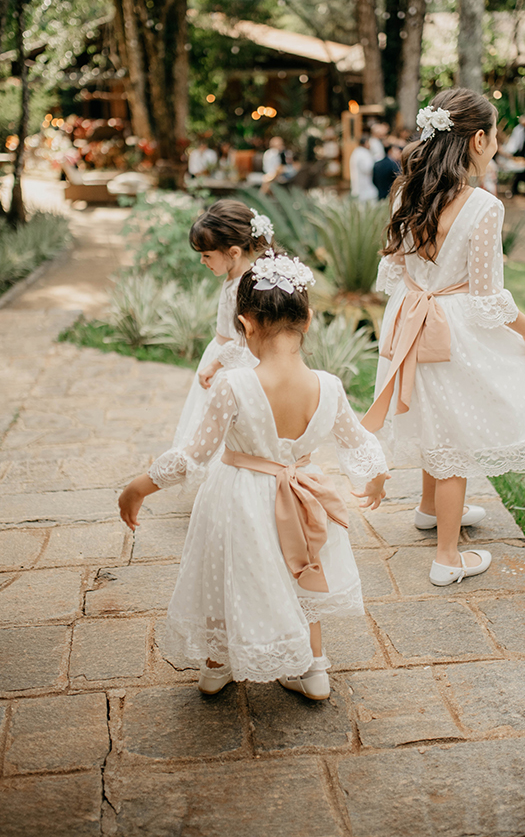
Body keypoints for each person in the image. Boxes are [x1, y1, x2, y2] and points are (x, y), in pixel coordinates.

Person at [363, 87, 525, 588]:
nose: (496, 144)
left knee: (434, 414)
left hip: (406, 318)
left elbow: (391, 274)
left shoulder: (405, 189)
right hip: (448, 327)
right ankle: (448, 558)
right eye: (494, 136)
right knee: (453, 437)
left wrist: (419, 294)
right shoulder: (483, 206)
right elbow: (487, 297)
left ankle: (430, 510)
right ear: (477, 139)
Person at [118, 251, 389, 698]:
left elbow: (194, 456)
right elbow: (358, 440)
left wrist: (139, 487)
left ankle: (216, 664)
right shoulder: (329, 386)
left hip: (239, 500)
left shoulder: (234, 385)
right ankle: (313, 668)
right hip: (304, 495)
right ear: (308, 317)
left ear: (244, 324)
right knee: (302, 572)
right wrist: (375, 477)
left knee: (229, 574)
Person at [171, 201, 274, 451]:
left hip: (232, 361)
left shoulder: (244, 286)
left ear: (234, 252)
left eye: (207, 256)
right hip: (220, 352)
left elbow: (245, 339)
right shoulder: (234, 276)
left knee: (222, 420)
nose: (202, 262)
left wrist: (216, 365)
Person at [349, 135, 378, 201]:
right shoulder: (363, 153)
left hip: (361, 184)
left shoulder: (357, 152)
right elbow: (367, 168)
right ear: (366, 143)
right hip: (364, 185)